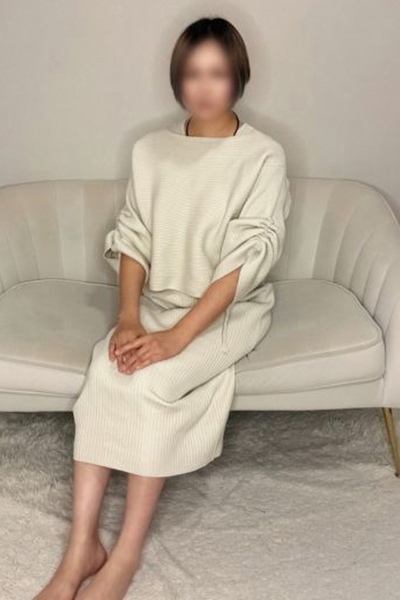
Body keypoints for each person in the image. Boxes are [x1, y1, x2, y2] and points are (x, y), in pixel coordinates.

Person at [33, 15, 292, 600]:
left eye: (217, 73)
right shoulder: (151, 150)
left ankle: (124, 556)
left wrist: (177, 338)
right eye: (192, 74)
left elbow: (247, 259)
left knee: (151, 382)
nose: (204, 87)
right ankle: (80, 549)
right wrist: (129, 317)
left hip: (228, 309)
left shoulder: (262, 156)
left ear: (238, 77)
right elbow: (135, 236)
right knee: (106, 370)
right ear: (177, 79)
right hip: (154, 302)